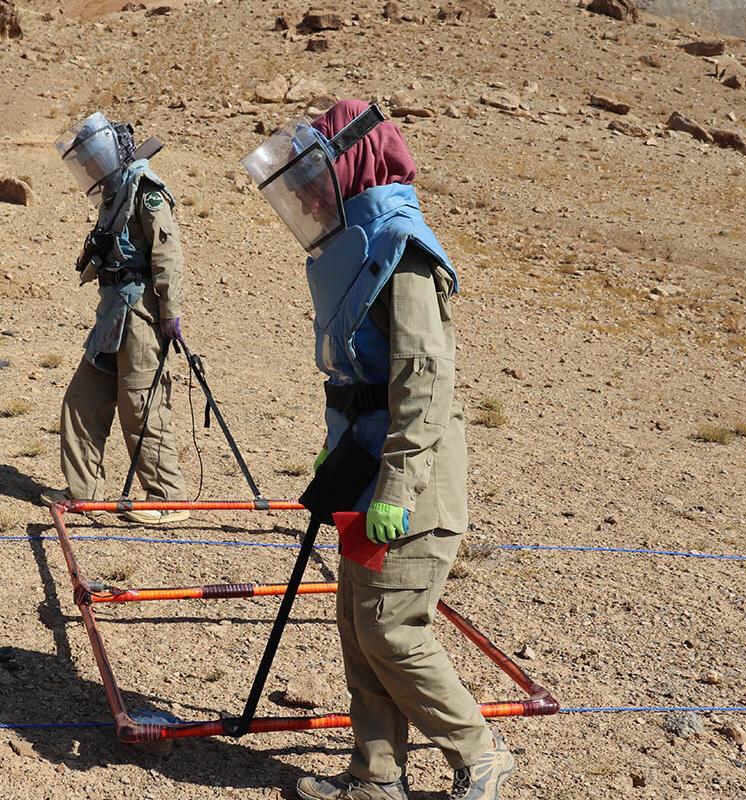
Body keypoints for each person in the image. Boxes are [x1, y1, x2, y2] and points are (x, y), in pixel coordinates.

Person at [241, 99, 514, 800]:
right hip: (363, 471)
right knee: (360, 628)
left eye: (316, 176)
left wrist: (394, 492)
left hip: (409, 489)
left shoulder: (402, 247)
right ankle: (375, 777)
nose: (306, 195)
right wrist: (342, 467)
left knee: (394, 628)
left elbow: (424, 382)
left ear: (354, 163)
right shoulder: (357, 244)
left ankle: (480, 753)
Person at [40, 112, 188, 525]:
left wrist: (170, 312)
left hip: (142, 315)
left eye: (92, 159)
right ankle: (82, 491)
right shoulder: (113, 195)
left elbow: (167, 256)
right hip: (112, 315)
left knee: (142, 407)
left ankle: (167, 499)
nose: (89, 169)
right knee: (82, 401)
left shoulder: (145, 190)